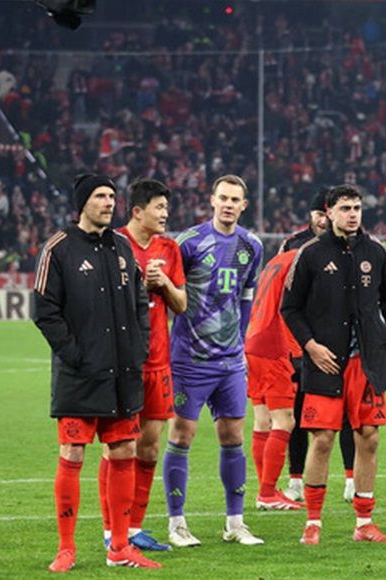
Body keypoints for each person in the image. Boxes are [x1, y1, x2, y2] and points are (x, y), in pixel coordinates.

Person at [35, 174, 159, 570]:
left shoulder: (122, 247)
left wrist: (139, 348)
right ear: (82, 203)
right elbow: (44, 310)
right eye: (100, 196)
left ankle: (119, 547)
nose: (109, 202)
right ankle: (66, 548)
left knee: (124, 451)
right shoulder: (58, 248)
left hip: (122, 374)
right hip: (79, 376)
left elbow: (140, 303)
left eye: (111, 196)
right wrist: (74, 355)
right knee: (72, 453)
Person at [282, 185, 386, 544]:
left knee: (368, 437)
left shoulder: (375, 251)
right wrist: (311, 346)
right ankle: (313, 522)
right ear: (330, 212)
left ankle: (364, 523)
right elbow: (290, 308)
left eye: (357, 208)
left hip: (366, 363)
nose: (353, 214)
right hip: (325, 363)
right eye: (346, 208)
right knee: (322, 439)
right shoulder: (311, 253)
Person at [163, 175, 265, 547]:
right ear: (212, 200)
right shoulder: (188, 243)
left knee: (234, 435)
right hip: (189, 359)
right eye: (223, 197)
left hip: (230, 361)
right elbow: (171, 295)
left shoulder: (252, 245)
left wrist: (240, 342)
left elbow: (246, 296)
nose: (228, 204)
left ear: (243, 205)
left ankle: (235, 523)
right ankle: (177, 524)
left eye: (235, 199)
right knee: (181, 435)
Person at [113, 179, 187, 551]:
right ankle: (113, 531)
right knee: (118, 446)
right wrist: (140, 286)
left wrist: (166, 284)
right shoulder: (113, 245)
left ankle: (135, 527)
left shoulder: (169, 248)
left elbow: (181, 305)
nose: (165, 214)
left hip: (158, 361)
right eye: (159, 207)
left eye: (166, 208)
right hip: (122, 362)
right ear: (138, 211)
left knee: (150, 447)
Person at [278, 190, 358, 504]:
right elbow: (286, 301)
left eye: (327, 214)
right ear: (313, 214)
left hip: (346, 346)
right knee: (301, 416)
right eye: (319, 214)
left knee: (350, 416)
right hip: (302, 346)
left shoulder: (357, 246)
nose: (323, 220)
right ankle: (295, 479)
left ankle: (351, 478)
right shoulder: (295, 246)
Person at [244, 235, 306, 512]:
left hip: (253, 342)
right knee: (285, 420)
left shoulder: (274, 263)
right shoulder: (297, 263)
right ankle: (267, 493)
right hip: (273, 346)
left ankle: (265, 490)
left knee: (262, 421)